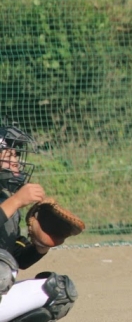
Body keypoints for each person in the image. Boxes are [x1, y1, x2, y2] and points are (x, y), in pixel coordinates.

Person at [0, 124, 77, 321]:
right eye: (9, 156)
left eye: (16, 156)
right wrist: (16, 200)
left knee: (59, 291)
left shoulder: (6, 200)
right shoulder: (11, 202)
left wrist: (40, 246)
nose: (16, 162)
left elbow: (16, 258)